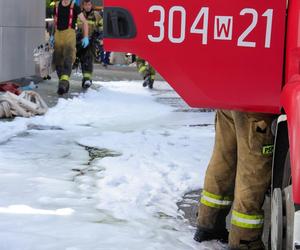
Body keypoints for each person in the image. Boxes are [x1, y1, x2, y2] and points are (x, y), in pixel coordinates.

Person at [194, 110, 275, 250]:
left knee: (223, 160)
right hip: (257, 108)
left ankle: (208, 224)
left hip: (228, 102)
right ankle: (244, 241)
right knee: (252, 173)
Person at [51, 0, 89, 95]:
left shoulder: (74, 6)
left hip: (69, 35)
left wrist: (86, 37)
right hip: (58, 35)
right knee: (57, 61)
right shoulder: (56, 6)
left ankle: (63, 84)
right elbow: (54, 21)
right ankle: (63, 82)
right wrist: (52, 35)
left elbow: (85, 22)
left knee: (68, 59)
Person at [76, 0, 103, 88]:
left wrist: (99, 36)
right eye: (85, 5)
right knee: (79, 58)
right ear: (83, 6)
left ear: (91, 5)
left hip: (91, 41)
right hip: (80, 40)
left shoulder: (96, 15)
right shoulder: (79, 15)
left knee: (88, 58)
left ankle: (87, 79)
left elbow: (102, 28)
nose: (87, 6)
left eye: (89, 4)